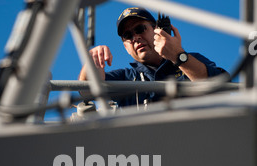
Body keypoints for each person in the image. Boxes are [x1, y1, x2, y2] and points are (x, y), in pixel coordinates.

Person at [78, 7, 227, 108]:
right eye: (128, 36)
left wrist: (178, 56)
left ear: (157, 31)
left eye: (140, 29)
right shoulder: (126, 77)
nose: (135, 37)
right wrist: (92, 62)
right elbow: (86, 91)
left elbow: (220, 88)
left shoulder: (190, 60)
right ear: (126, 47)